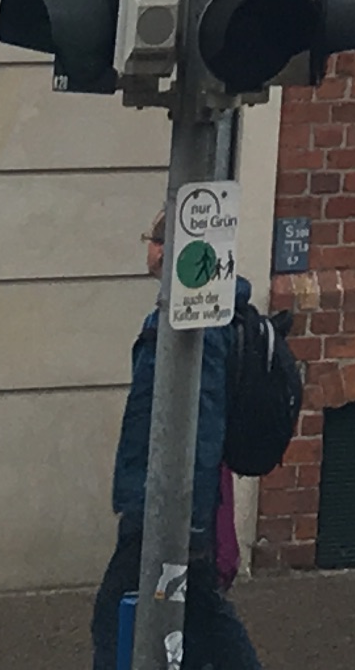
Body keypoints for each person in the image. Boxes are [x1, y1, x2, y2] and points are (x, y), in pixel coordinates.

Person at [90, 217, 263, 670]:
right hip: (164, 503)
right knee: (200, 616)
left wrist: (182, 517)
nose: (148, 249)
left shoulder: (196, 324)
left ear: (169, 250)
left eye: (152, 240)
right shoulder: (178, 316)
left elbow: (197, 425)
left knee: (115, 614)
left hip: (166, 508)